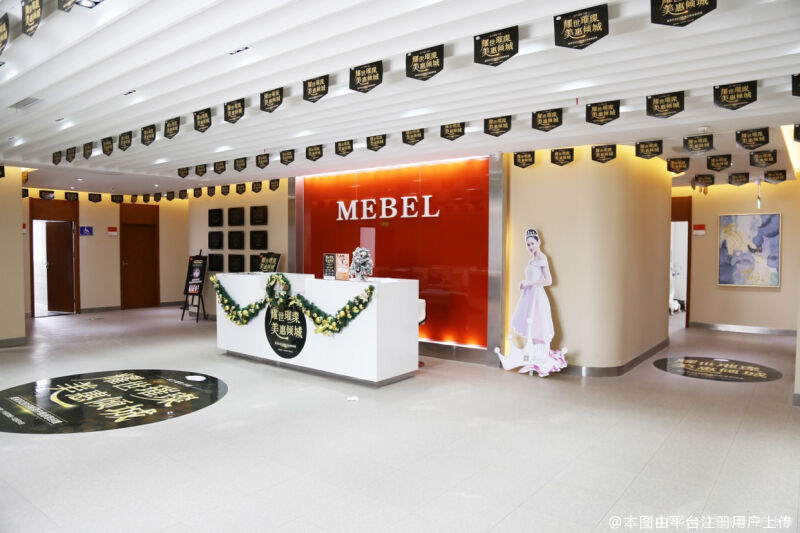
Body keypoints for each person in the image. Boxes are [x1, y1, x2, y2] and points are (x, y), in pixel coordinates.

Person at [495, 228, 567, 377]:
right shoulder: (531, 260)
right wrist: (524, 284)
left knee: (537, 324)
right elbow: (532, 278)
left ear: (538, 242)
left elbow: (548, 280)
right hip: (528, 295)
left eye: (532, 243)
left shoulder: (542, 258)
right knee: (530, 325)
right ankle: (531, 358)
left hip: (537, 296)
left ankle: (539, 360)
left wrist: (529, 283)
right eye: (528, 244)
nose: (530, 247)